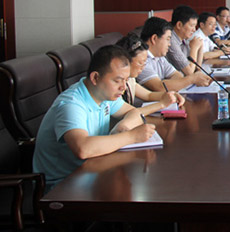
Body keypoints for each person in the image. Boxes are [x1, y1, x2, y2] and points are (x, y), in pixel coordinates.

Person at [33, 45, 156, 191]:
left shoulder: (104, 94)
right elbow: (83, 148)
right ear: (95, 78)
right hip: (62, 185)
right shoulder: (71, 104)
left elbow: (134, 112)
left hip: (92, 170)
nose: (123, 87)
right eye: (117, 81)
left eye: (126, 80)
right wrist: (131, 136)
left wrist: (123, 127)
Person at [116, 33, 185, 115]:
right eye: (140, 63)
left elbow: (148, 95)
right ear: (125, 61)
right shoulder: (115, 86)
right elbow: (129, 113)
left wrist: (171, 95)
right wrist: (162, 104)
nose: (143, 67)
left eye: (145, 63)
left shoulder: (130, 80)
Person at [137, 17, 211, 91]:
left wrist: (174, 83)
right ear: (154, 38)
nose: (169, 44)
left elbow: (177, 75)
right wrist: (192, 79)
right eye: (167, 39)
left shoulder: (159, 57)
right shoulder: (141, 60)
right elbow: (159, 87)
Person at [166, 5, 205, 75]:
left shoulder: (184, 38)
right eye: (191, 26)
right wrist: (194, 48)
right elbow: (189, 72)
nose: (194, 30)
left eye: (195, 26)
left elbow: (198, 68)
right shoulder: (171, 40)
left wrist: (200, 45)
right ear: (179, 25)